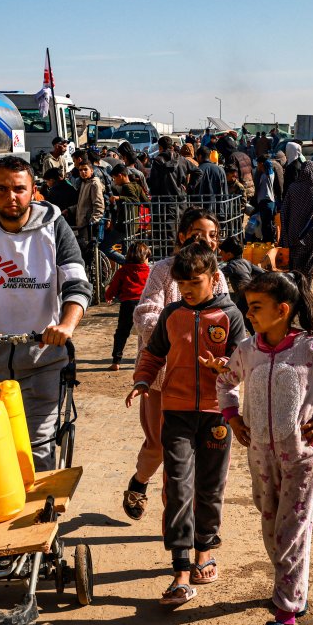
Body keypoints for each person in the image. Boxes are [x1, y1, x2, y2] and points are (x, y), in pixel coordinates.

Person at [209, 270, 313, 625]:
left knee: (290, 533)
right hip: (260, 460)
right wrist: (233, 418)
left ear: (282, 309)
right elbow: (225, 382)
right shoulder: (247, 349)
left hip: (300, 457)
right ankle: (295, 589)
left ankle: (286, 616)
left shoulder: (310, 349)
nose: (248, 314)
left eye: (256, 307)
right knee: (271, 529)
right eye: (247, 306)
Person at [0, 155, 91, 470]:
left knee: (35, 451)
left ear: (33, 190)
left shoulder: (55, 227)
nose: (12, 197)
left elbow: (77, 283)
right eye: (2, 189)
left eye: (19, 189)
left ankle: (36, 516)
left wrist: (65, 325)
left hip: (43, 361)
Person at [127, 241, 246, 606]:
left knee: (210, 487)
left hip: (216, 415)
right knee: (178, 486)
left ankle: (204, 553)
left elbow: (244, 362)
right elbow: (154, 353)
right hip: (176, 413)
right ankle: (179, 572)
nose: (188, 291)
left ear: (213, 278)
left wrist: (224, 368)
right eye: (182, 285)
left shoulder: (231, 316)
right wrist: (143, 380)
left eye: (195, 283)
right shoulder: (172, 314)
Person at [125, 208, 230, 521]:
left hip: (203, 380)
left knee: (187, 457)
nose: (207, 241)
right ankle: (139, 482)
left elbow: (225, 321)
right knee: (158, 446)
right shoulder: (163, 270)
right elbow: (144, 313)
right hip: (161, 377)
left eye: (213, 236)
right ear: (183, 236)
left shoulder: (218, 278)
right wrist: (180, 328)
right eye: (199, 233)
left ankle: (178, 528)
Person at [278, 159, 313, 290]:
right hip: (311, 235)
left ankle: (296, 291)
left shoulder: (292, 188)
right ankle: (305, 291)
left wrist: (285, 234)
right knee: (307, 268)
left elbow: (284, 211)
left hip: (294, 234)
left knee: (295, 267)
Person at [105, 241, 151, 371]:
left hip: (127, 304)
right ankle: (146, 360)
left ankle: (116, 360)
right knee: (147, 332)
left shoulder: (123, 271)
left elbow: (113, 287)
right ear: (145, 258)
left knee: (122, 332)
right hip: (144, 303)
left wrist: (109, 296)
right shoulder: (149, 271)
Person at [218, 235, 263, 326]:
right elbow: (262, 273)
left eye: (222, 252)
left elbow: (217, 275)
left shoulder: (231, 266)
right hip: (252, 294)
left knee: (239, 320)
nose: (220, 254)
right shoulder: (246, 262)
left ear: (229, 254)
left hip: (243, 298)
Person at [74, 159, 106, 250]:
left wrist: (93, 221)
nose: (83, 172)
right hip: (81, 223)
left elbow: (99, 205)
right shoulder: (84, 183)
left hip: (88, 226)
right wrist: (69, 210)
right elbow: (82, 203)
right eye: (80, 170)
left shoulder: (94, 184)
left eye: (85, 169)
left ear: (91, 170)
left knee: (90, 252)